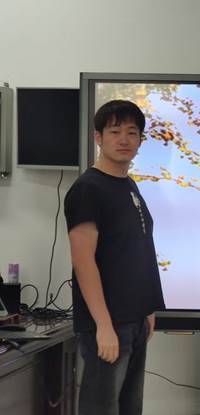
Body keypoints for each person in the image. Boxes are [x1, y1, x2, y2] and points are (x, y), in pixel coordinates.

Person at [64, 100, 165, 415]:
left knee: (129, 408)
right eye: (115, 131)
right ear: (98, 137)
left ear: (140, 140)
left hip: (134, 320)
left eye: (132, 132)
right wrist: (103, 326)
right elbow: (83, 261)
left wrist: (147, 310)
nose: (124, 139)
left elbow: (135, 248)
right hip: (107, 324)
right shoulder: (88, 189)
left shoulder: (128, 185)